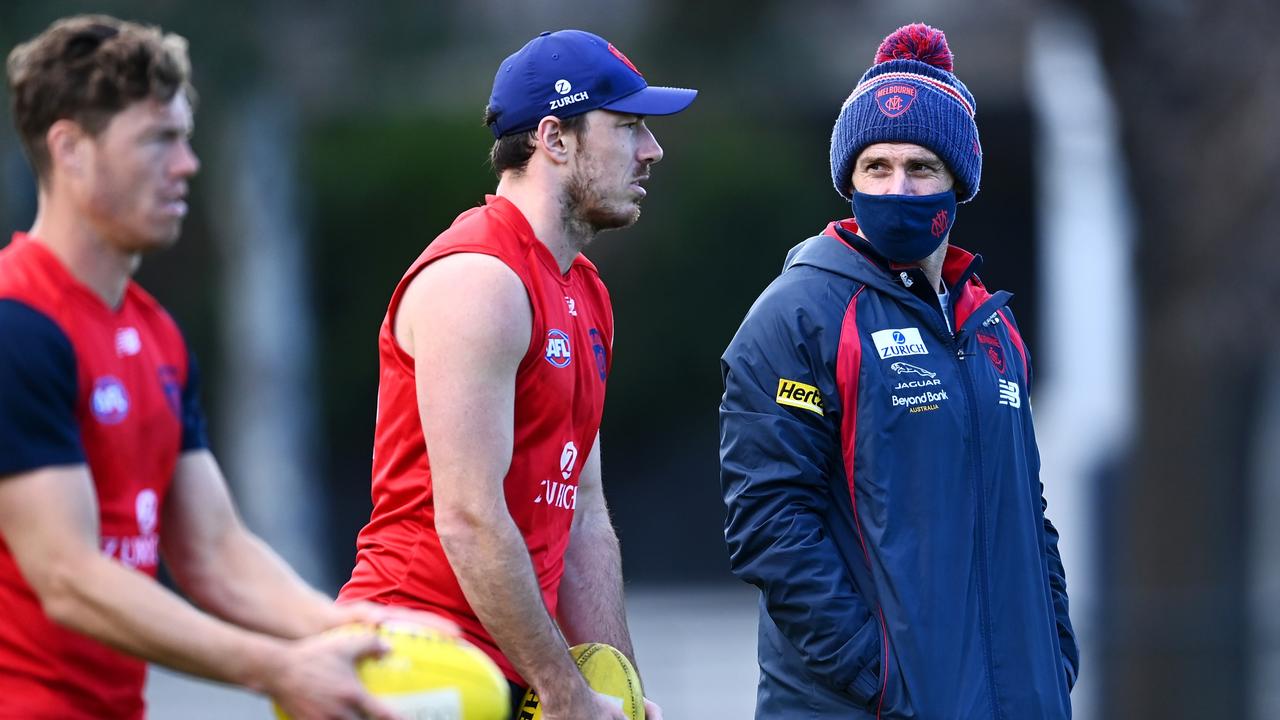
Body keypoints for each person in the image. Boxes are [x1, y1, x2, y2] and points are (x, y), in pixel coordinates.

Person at [0, 15, 454, 720]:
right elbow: (67, 576)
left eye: (184, 137)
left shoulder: (155, 336)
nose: (187, 163)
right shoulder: (16, 322)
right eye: (158, 139)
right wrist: (278, 666)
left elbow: (213, 552)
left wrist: (361, 630)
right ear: (70, 150)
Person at [719, 23, 1078, 719]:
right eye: (876, 168)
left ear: (958, 181)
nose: (898, 186)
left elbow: (1027, 514)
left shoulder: (993, 328)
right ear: (847, 179)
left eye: (921, 167)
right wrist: (877, 677)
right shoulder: (797, 317)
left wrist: (1054, 654)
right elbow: (769, 523)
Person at [339, 29, 695, 720]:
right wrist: (566, 692)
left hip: (509, 669)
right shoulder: (480, 279)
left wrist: (612, 686)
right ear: (554, 140)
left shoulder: (584, 290)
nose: (651, 150)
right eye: (628, 127)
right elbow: (470, 518)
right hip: (414, 661)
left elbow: (585, 513)